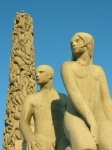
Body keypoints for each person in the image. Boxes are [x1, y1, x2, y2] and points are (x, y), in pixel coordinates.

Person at [61, 32, 112, 150]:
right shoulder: (67, 66)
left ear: (88, 44)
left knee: (109, 145)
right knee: (87, 147)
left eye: (77, 41)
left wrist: (110, 122)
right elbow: (74, 93)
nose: (73, 44)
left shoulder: (98, 70)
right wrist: (91, 121)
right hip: (75, 116)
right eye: (71, 43)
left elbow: (105, 99)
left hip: (99, 116)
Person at [20, 65, 69, 150]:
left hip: (62, 140)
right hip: (41, 140)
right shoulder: (31, 98)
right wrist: (30, 137)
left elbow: (73, 119)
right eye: (36, 73)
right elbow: (23, 121)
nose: (37, 75)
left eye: (41, 72)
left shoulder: (63, 98)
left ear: (50, 75)